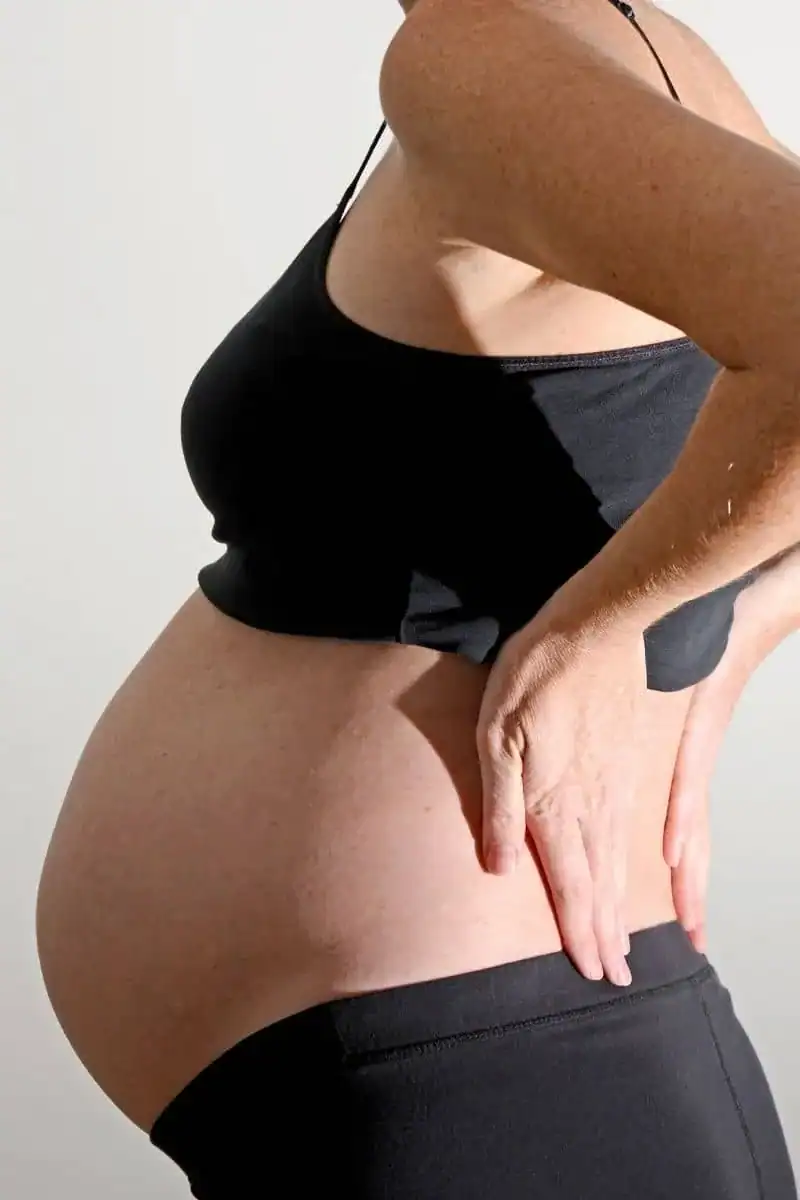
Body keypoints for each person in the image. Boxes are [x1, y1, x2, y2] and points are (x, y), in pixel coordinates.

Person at [35, 0, 800, 1195]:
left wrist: (614, 630)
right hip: (481, 1065)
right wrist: (739, 624)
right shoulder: (600, 48)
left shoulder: (476, 47)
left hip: (502, 1071)